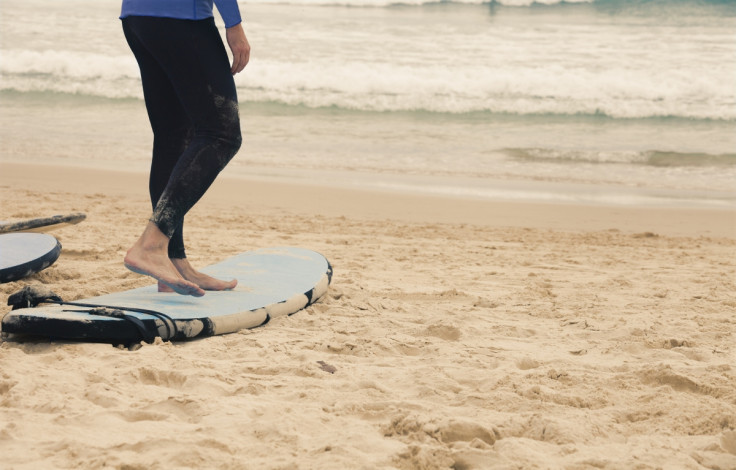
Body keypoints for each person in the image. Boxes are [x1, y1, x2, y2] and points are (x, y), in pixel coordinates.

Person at [119, 0, 250, 296]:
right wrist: (234, 23)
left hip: (138, 18)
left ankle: (172, 264)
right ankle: (152, 244)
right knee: (222, 134)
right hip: (180, 18)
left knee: (172, 138)